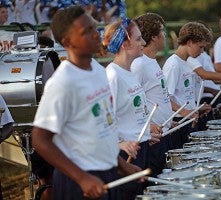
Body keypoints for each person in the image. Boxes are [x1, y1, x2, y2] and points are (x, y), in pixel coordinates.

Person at [32, 6, 141, 200]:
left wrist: (125, 167)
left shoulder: (99, 71)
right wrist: (82, 178)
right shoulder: (62, 82)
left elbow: (103, 134)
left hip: (107, 173)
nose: (96, 34)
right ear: (67, 42)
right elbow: (40, 140)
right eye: (86, 31)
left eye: (94, 27)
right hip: (78, 181)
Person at [103, 17, 159, 199]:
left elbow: (134, 112)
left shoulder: (129, 72)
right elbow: (103, 120)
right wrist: (119, 143)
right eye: (138, 39)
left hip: (139, 147)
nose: (143, 42)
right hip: (123, 154)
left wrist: (147, 134)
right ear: (124, 45)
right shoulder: (112, 75)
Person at [131, 13, 174, 177]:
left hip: (164, 134)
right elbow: (132, 102)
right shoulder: (139, 64)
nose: (165, 36)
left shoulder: (152, 61)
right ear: (155, 37)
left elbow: (157, 97)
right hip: (152, 139)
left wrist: (170, 120)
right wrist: (146, 128)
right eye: (162, 32)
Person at [162, 22, 211, 149]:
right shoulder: (173, 65)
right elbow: (165, 97)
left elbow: (183, 96)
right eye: (200, 47)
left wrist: (197, 109)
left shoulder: (187, 62)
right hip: (179, 123)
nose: (202, 52)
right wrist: (184, 112)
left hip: (189, 119)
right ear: (189, 42)